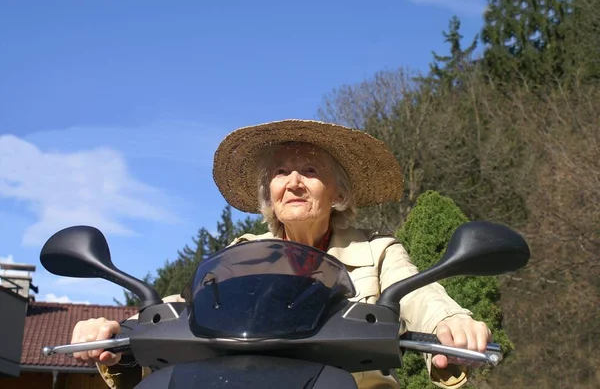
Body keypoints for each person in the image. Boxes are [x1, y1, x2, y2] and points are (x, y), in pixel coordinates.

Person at [70, 119, 492, 389]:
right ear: (268, 196)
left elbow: (419, 294)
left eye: (310, 171)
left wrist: (450, 323)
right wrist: (116, 330)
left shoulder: (378, 250)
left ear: (340, 193)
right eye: (279, 172)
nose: (293, 182)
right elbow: (182, 312)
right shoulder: (241, 255)